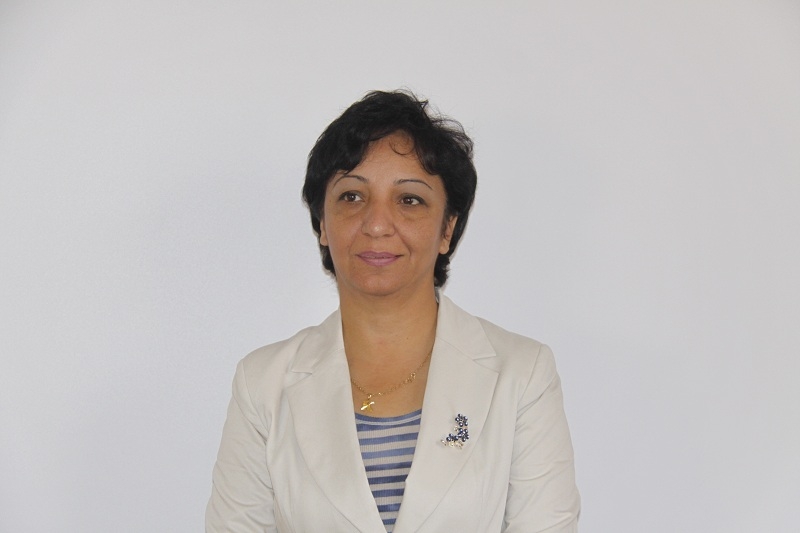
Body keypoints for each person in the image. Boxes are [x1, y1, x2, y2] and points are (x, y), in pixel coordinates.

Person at [206, 90, 580, 532]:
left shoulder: (522, 375)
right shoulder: (262, 385)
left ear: (447, 228)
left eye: (409, 200)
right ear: (322, 223)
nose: (377, 224)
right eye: (352, 196)